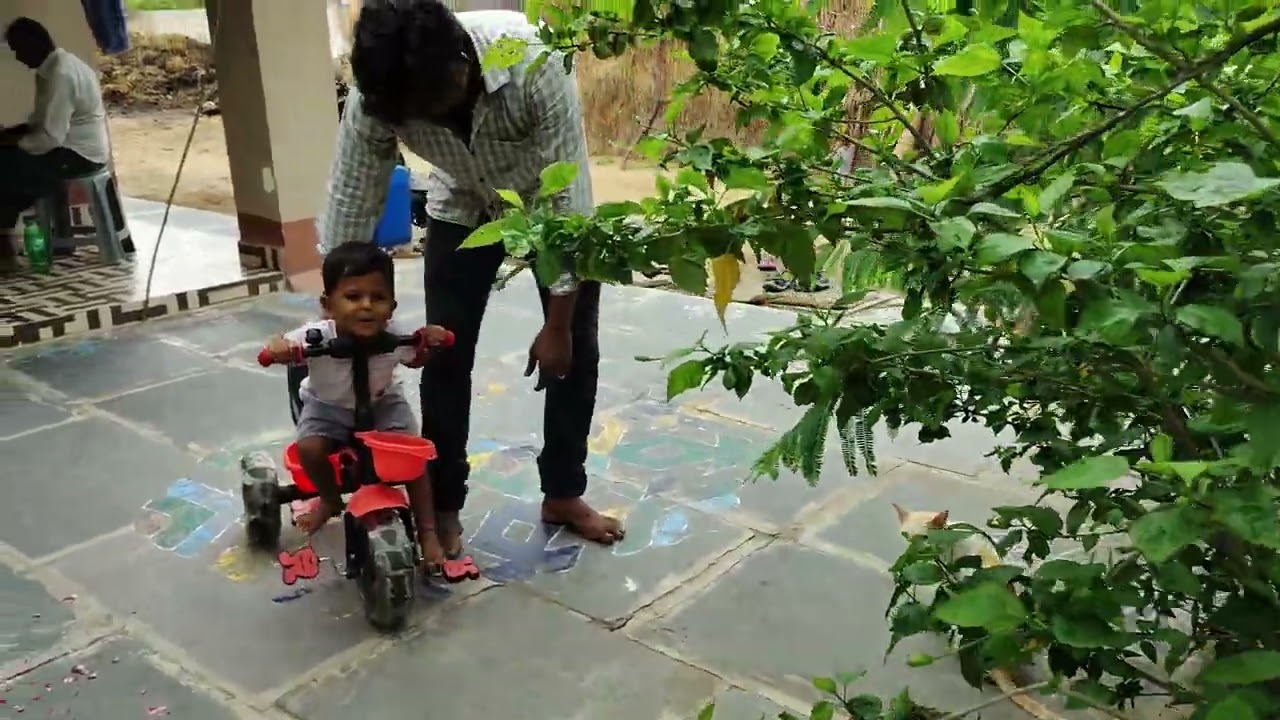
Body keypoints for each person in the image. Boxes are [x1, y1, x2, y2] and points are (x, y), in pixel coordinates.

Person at [308, 0, 625, 558]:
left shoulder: (533, 60)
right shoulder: (378, 95)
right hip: (461, 204)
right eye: (413, 119)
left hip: (543, 204)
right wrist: (335, 310)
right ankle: (444, 502)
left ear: (461, 64)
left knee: (574, 352)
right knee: (445, 356)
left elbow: (568, 204)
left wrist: (557, 325)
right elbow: (351, 201)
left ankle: (562, 493)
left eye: (433, 107)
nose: (424, 123)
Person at [263, 241, 454, 570]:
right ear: (328, 304)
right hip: (327, 406)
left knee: (414, 459)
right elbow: (278, 344)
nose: (366, 306)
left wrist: (429, 342)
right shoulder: (316, 336)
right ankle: (329, 498)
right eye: (353, 297)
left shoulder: (395, 334)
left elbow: (416, 358)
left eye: (377, 298)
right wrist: (279, 348)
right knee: (309, 449)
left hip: (382, 404)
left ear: (391, 306)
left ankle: (427, 531)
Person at [1, 17, 110, 246]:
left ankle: (6, 240)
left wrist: (13, 143)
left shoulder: (61, 74)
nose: (18, 58)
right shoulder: (54, 68)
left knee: (9, 169)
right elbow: (41, 122)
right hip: (68, 148)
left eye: (18, 50)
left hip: (80, 155)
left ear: (33, 45)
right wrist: (10, 134)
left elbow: (50, 138)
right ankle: (46, 237)